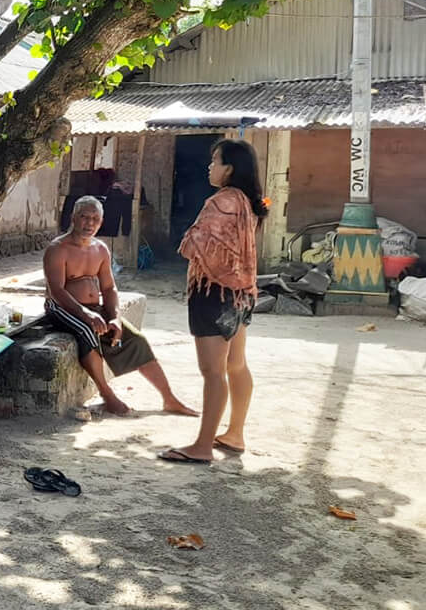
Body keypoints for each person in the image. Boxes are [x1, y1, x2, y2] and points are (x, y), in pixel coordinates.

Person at [159, 138, 267, 463]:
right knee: (236, 365)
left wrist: (191, 236)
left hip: (213, 292)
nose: (210, 167)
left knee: (212, 372)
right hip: (241, 293)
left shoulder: (222, 201)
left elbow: (196, 245)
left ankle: (203, 446)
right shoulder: (248, 201)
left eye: (215, 161)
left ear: (229, 168)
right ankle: (234, 434)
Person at [44, 196, 197, 417]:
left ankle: (170, 399)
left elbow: (109, 288)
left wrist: (114, 316)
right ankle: (108, 396)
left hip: (94, 308)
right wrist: (85, 313)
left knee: (136, 339)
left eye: (94, 219)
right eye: (84, 217)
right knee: (88, 332)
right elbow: (57, 291)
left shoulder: (101, 249)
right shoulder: (58, 249)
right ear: (73, 218)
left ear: (101, 221)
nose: (89, 223)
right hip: (62, 308)